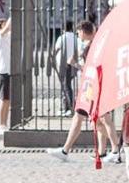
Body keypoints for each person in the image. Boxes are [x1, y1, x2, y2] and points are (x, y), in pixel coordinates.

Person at [49, 22, 116, 163]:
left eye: (79, 32)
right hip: (90, 86)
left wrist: (75, 64)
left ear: (84, 31)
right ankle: (101, 152)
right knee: (92, 120)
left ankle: (116, 149)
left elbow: (94, 67)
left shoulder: (95, 45)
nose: (78, 35)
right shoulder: (93, 44)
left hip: (94, 87)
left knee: (101, 119)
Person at [52, 20, 81, 113]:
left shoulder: (62, 38)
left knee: (66, 86)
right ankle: (66, 106)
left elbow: (56, 49)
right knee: (67, 85)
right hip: (73, 64)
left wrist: (52, 59)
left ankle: (69, 107)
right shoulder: (75, 38)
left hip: (63, 65)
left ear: (63, 28)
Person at [0, 17, 11, 135]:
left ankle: (5, 123)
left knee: (8, 100)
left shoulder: (8, 38)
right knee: (4, 99)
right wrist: (12, 16)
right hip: (3, 72)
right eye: (4, 26)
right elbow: (7, 28)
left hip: (10, 71)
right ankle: (0, 124)